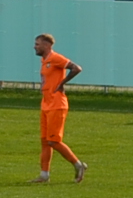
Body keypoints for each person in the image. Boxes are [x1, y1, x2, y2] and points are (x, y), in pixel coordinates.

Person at [29, 34, 88, 184]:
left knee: (54, 141)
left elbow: (76, 68)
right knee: (45, 141)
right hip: (46, 104)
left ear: (47, 45)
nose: (35, 47)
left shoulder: (56, 58)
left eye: (37, 44)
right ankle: (44, 175)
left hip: (57, 104)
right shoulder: (44, 60)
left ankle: (78, 165)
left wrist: (62, 83)